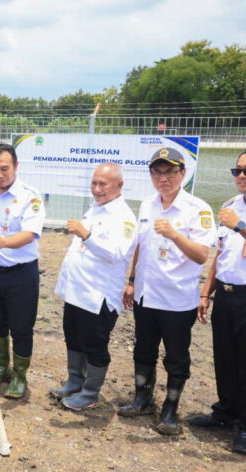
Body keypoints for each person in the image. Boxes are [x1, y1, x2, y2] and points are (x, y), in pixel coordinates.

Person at [119, 147, 216, 435]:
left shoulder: (198, 209)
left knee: (176, 357)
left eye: (170, 171)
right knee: (143, 349)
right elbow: (141, 245)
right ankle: (142, 398)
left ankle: (170, 411)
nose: (164, 178)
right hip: (146, 296)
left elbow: (201, 255)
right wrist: (132, 280)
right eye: (157, 172)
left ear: (183, 173)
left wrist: (174, 234)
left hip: (176, 300)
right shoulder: (148, 204)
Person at [51, 163, 137, 410]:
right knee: (74, 338)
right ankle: (75, 382)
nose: (97, 189)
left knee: (95, 345)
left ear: (119, 185)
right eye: (94, 183)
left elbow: (118, 254)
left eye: (103, 184)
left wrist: (87, 235)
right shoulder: (97, 209)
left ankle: (90, 392)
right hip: (77, 292)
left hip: (97, 296)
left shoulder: (124, 218)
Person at [0, 143, 43, 396]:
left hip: (20, 273)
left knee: (22, 327)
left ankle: (20, 375)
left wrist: (4, 243)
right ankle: (2, 365)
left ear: (15, 166)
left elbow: (31, 233)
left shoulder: (29, 195)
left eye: (4, 168)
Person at [190, 150, 246, 454]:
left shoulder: (233, 216)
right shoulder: (228, 207)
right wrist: (205, 293)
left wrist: (239, 225)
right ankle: (226, 411)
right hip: (226, 293)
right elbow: (220, 255)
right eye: (236, 170)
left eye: (245, 171)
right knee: (224, 356)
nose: (240, 176)